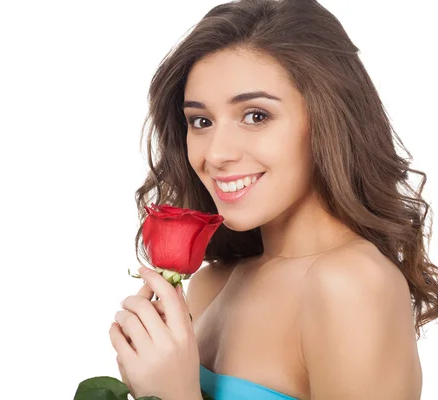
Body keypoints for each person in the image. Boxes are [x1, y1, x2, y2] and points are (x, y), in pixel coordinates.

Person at [108, 0, 438, 399]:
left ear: (328, 120)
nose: (216, 154)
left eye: (256, 116)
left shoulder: (352, 284)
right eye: (201, 121)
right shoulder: (214, 283)